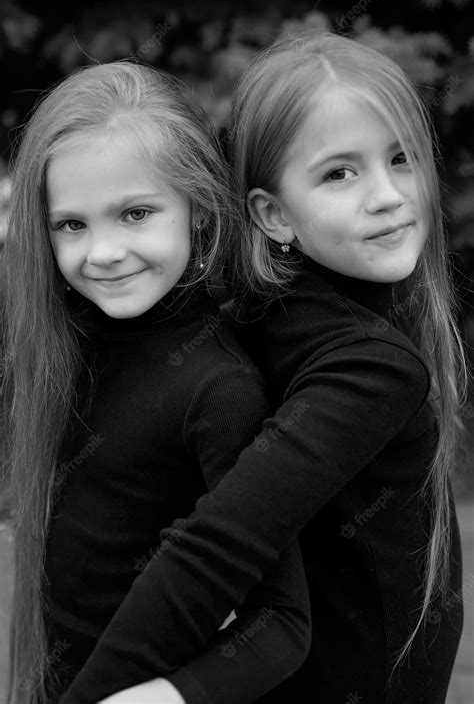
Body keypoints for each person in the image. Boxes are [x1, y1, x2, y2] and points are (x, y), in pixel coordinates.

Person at [55, 32, 469, 704]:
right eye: (340, 172)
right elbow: (220, 539)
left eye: (402, 158)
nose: (388, 195)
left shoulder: (260, 313)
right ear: (272, 214)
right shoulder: (366, 366)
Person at [2, 60, 312, 704]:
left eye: (136, 213)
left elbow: (282, 622)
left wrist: (167, 695)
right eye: (72, 224)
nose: (103, 251)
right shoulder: (71, 346)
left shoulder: (218, 389)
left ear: (198, 208)